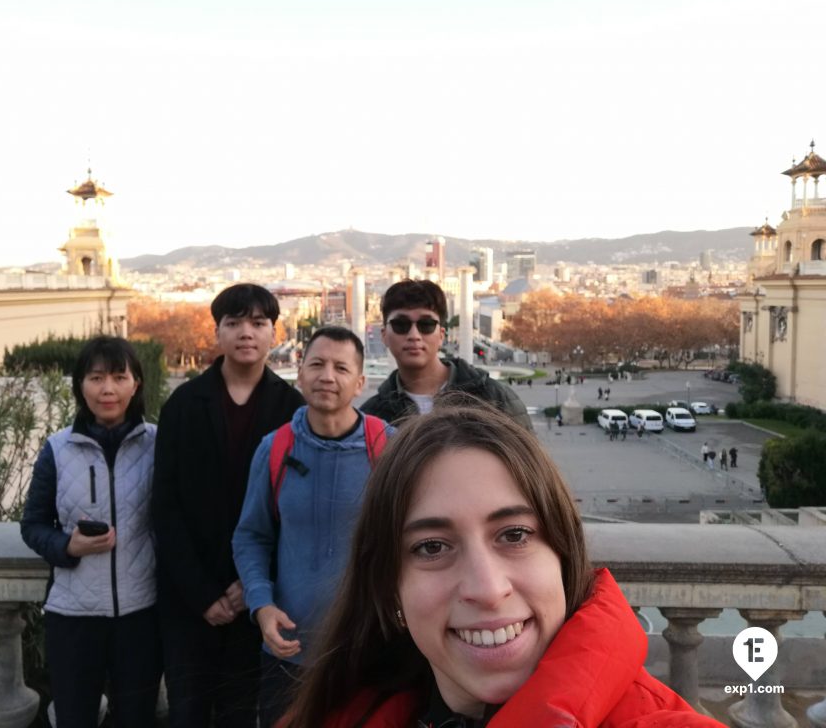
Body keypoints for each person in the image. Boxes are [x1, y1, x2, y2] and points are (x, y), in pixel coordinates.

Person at [281, 401, 721, 728]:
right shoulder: (336, 714)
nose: (488, 589)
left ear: (563, 555)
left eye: (514, 535)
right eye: (432, 547)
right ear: (388, 585)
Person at [153, 283, 305, 728]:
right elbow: (165, 505)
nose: (246, 333)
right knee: (187, 713)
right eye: (234, 323)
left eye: (258, 323)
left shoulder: (293, 409)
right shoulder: (183, 404)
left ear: (274, 333)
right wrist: (202, 593)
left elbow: (293, 511)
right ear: (217, 331)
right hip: (188, 601)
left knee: (242, 714)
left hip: (259, 601)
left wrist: (251, 585)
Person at [233, 326, 395, 727]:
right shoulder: (275, 448)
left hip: (367, 650)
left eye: (341, 368)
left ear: (360, 383)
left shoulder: (388, 449)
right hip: (289, 650)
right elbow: (251, 536)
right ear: (300, 374)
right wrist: (261, 605)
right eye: (317, 364)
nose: (327, 376)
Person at [21, 336, 161, 727]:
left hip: (141, 614)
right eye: (96, 378)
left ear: (136, 384)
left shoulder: (158, 444)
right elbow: (32, 525)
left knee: (137, 718)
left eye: (119, 377)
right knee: (74, 718)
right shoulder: (57, 449)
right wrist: (69, 546)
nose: (107, 389)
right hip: (73, 616)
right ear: (80, 386)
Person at [360, 280, 531, 431]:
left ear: (441, 335)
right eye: (400, 324)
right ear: (384, 335)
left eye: (426, 324)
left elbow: (527, 457)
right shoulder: (371, 417)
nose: (414, 335)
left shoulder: (494, 399)